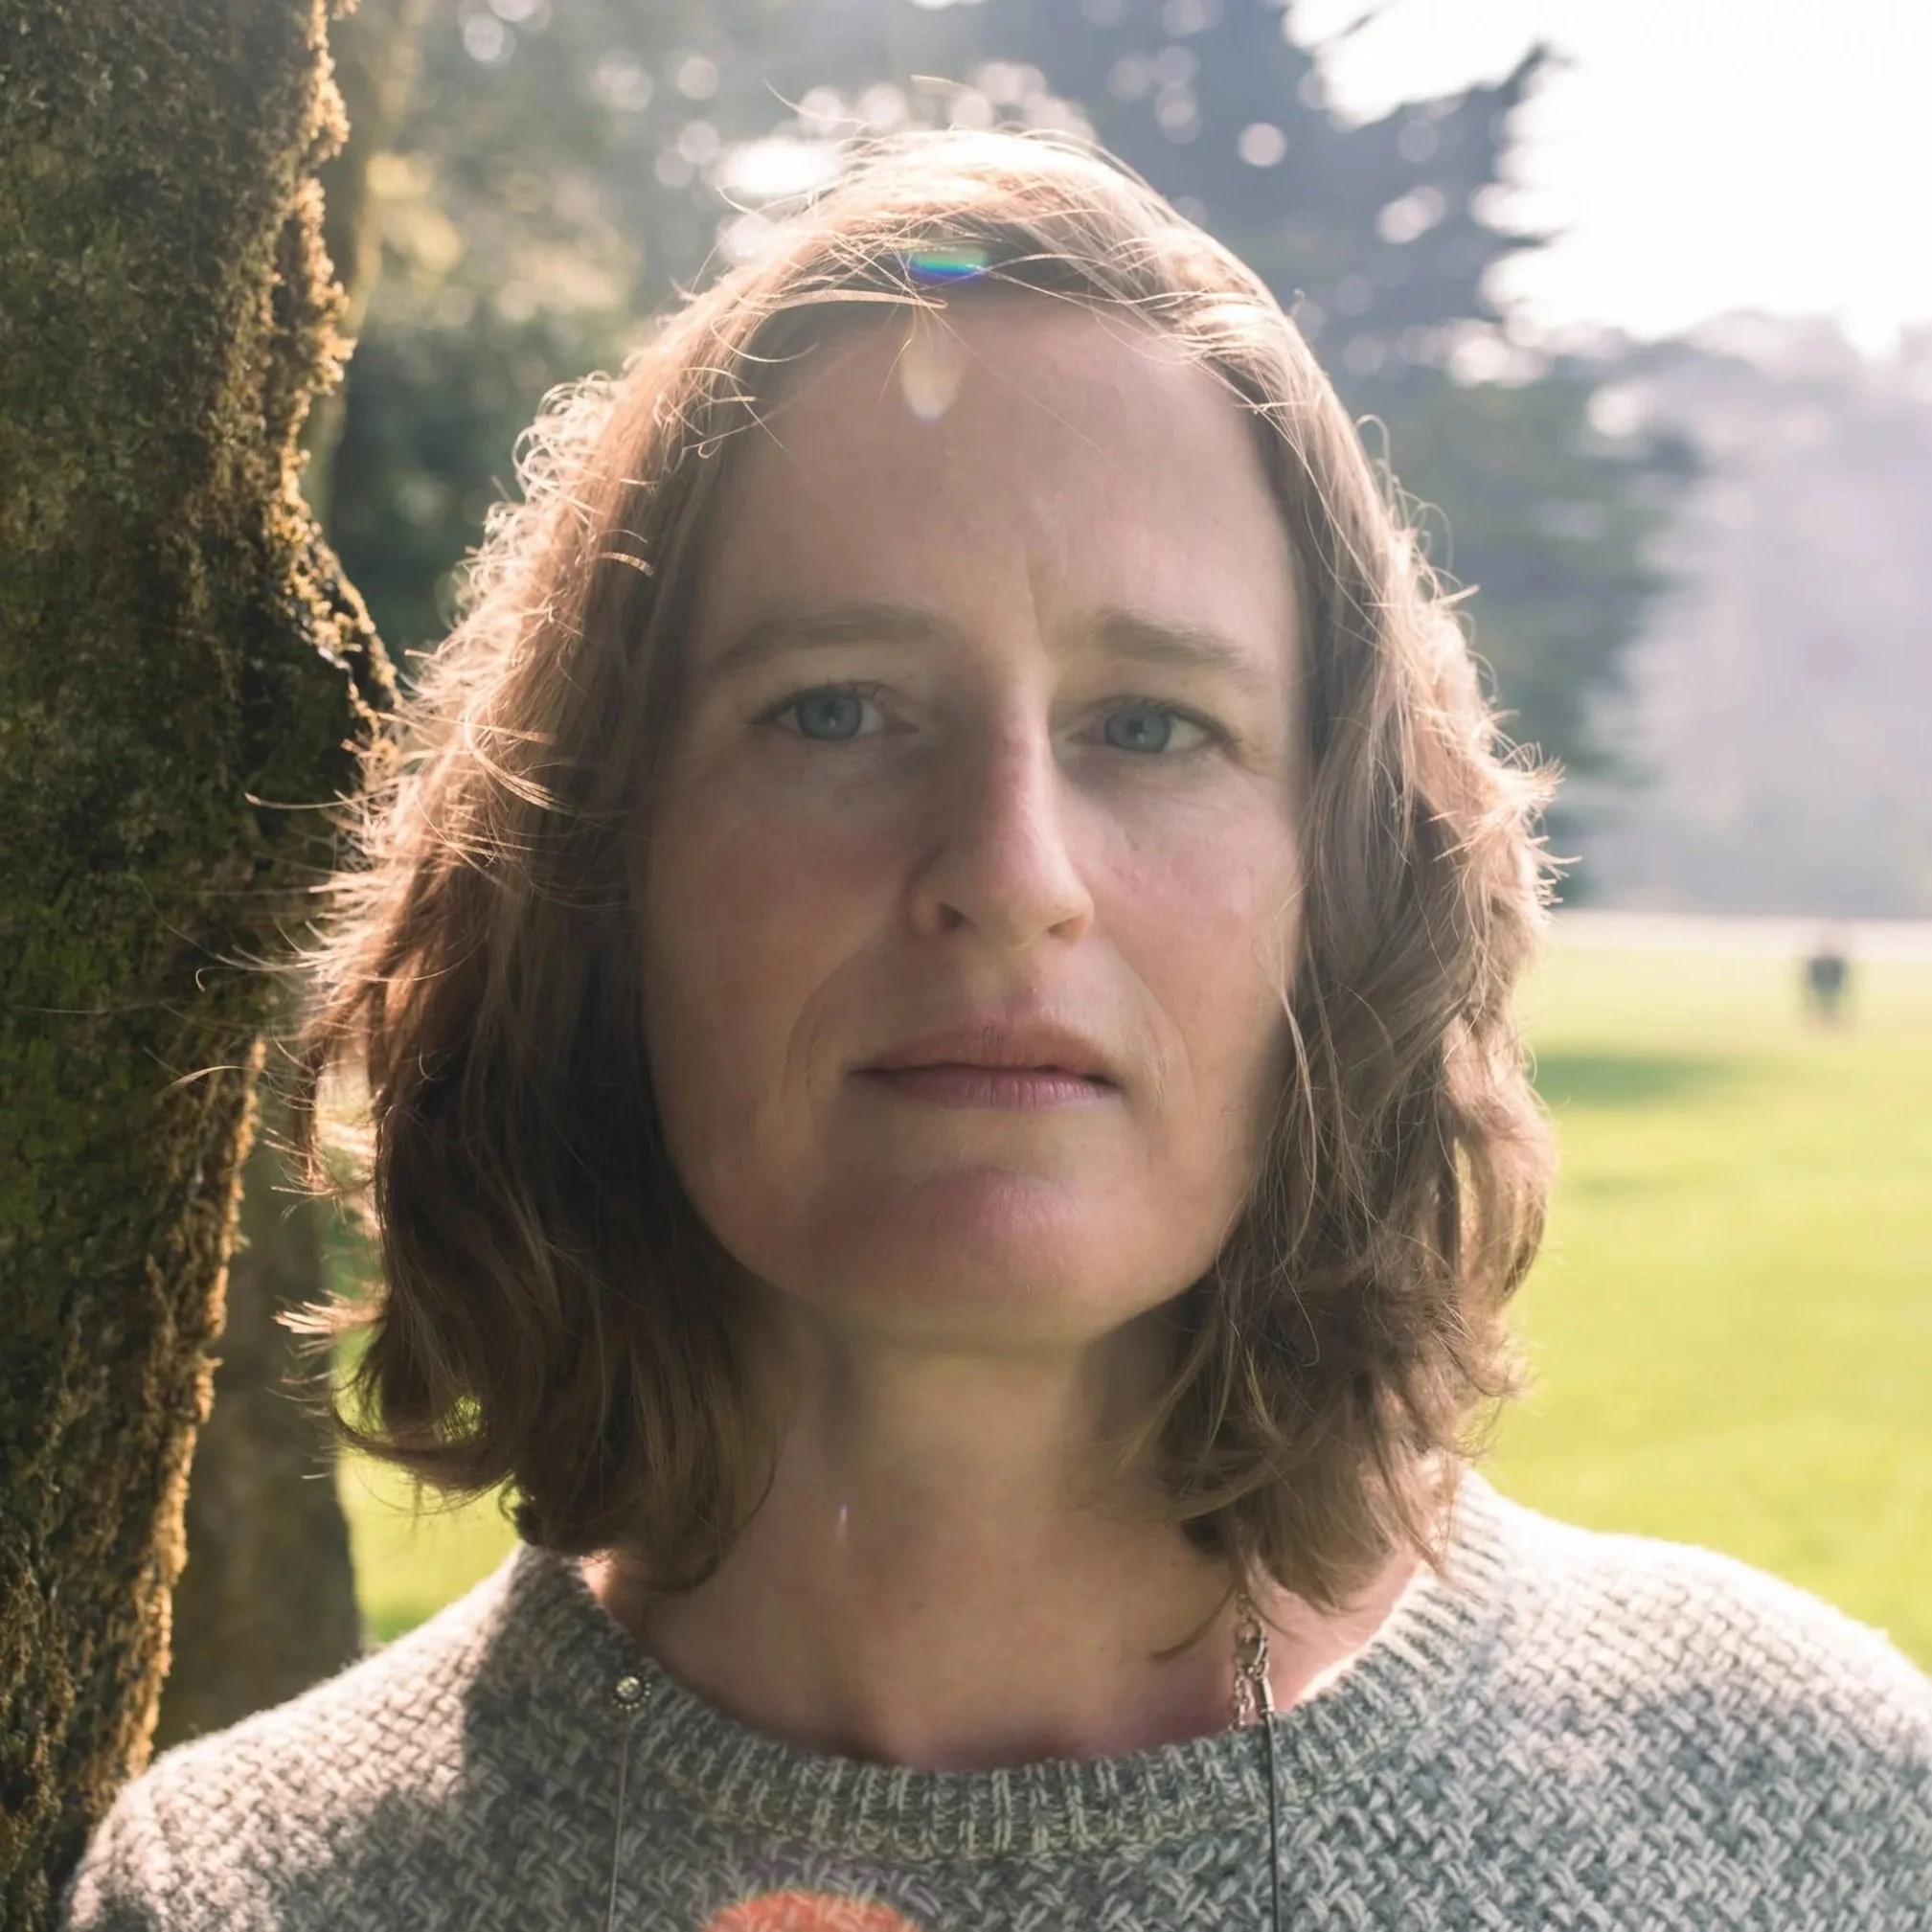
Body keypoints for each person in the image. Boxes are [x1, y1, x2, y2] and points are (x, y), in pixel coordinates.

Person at [64, 132, 1929, 1932]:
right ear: (597, 878)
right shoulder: (249, 1893)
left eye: (1150, 726)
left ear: (1342, 895)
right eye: (835, 712)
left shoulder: (1809, 1817)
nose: (1009, 871)